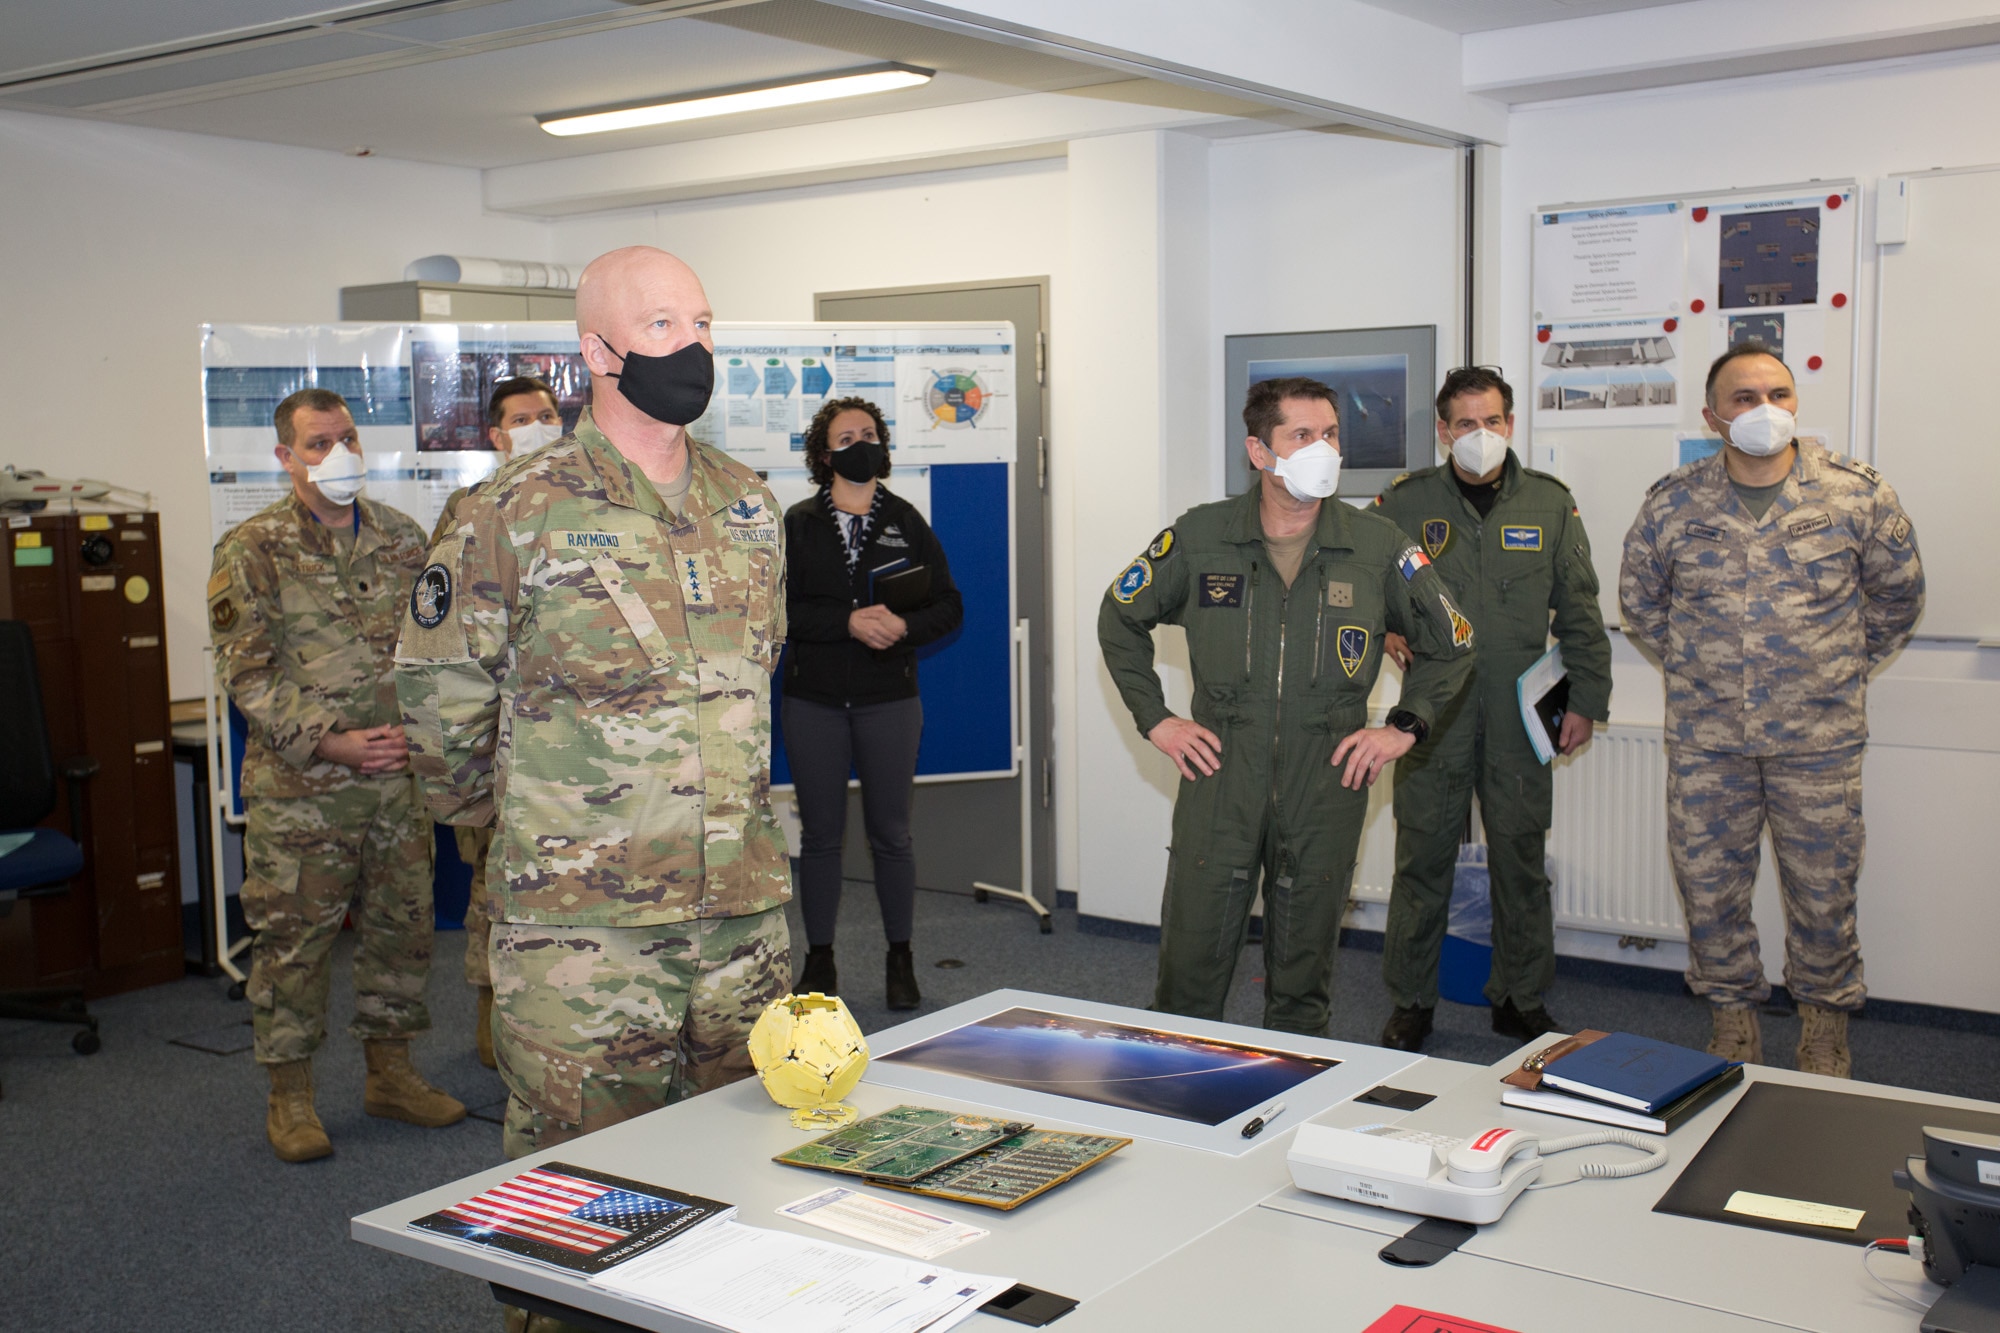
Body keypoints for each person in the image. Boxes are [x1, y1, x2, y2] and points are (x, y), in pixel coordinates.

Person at [395, 246, 792, 1161]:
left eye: (701, 325)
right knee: (586, 1189)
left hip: (741, 914)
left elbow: (755, 667)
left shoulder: (749, 504)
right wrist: (500, 824)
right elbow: (440, 686)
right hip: (584, 927)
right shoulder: (515, 508)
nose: (690, 346)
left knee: (747, 1169)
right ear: (599, 351)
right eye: (661, 326)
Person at [1098, 376, 1477, 1034]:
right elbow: (1119, 615)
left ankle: (1290, 1114)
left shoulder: (1379, 545)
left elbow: (1456, 640)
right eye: (1302, 435)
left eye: (1330, 433)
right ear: (1259, 451)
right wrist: (1156, 718)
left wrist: (1403, 727)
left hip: (1326, 780)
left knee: (1302, 985)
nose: (1323, 448)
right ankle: (1176, 1106)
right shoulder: (1202, 535)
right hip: (1220, 777)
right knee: (1190, 972)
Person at [1619, 344, 1923, 1077]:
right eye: (1743, 396)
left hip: (1818, 740)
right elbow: (1640, 605)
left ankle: (1824, 1026)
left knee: (1823, 892)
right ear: (1713, 414)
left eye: (1777, 393)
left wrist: (1832, 668)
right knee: (1710, 888)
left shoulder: (1856, 493)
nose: (1763, 409)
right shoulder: (1673, 501)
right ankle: (1733, 1021)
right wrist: (1707, 670)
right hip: (1708, 740)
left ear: (1795, 403)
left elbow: (1898, 597)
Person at [208, 387, 465, 1164]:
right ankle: (290, 1095)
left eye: (347, 437)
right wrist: (336, 743)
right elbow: (246, 674)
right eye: (318, 442)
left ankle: (391, 1073)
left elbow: (434, 646)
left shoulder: (401, 535)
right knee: (294, 945)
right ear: (285, 456)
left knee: (402, 931)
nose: (339, 454)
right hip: (304, 791)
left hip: (399, 783)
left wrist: (422, 735)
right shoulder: (252, 548)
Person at [1370, 366, 1613, 1052]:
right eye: (1467, 424)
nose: (1483, 435)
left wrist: (1586, 700)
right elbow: (1358, 574)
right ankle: (1412, 1001)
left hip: (1519, 709)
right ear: (1445, 431)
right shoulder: (1403, 503)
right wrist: (1387, 620)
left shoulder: (1549, 502)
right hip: (1434, 710)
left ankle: (1519, 995)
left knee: (1521, 858)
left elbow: (1581, 610)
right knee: (1421, 859)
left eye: (1494, 420)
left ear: (1511, 424)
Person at [781, 396, 963, 1010]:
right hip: (815, 702)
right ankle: (820, 958)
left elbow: (949, 606)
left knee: (892, 836)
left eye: (869, 433)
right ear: (823, 454)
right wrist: (848, 621)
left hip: (890, 700)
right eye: (844, 436)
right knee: (821, 839)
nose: (859, 443)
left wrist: (903, 628)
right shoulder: (799, 524)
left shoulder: (906, 520)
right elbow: (779, 610)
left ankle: (900, 957)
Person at [424, 375, 564, 1070]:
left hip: (576, 739)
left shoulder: (585, 499)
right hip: (503, 731)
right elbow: (444, 638)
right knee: (493, 887)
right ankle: (490, 1008)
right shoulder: (469, 509)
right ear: (496, 435)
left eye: (548, 414)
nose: (538, 425)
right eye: (522, 418)